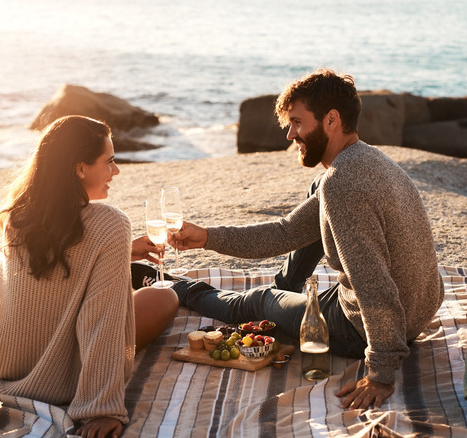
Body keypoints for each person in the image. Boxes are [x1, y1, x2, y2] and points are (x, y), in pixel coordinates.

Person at [168, 69, 444, 411]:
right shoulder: (370, 159)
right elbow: (286, 232)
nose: (289, 134)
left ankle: (176, 289)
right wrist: (208, 237)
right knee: (319, 188)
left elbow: (373, 283)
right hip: (417, 309)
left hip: (366, 328)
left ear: (331, 120)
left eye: (297, 122)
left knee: (256, 302)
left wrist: (381, 372)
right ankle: (287, 290)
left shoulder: (343, 184)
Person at [0, 115, 179, 438]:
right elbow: (100, 317)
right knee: (164, 296)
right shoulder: (111, 222)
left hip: (8, 361)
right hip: (63, 377)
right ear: (80, 169)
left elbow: (6, 296)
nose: (115, 172)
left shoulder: (19, 215)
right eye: (110, 162)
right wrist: (101, 408)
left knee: (125, 290)